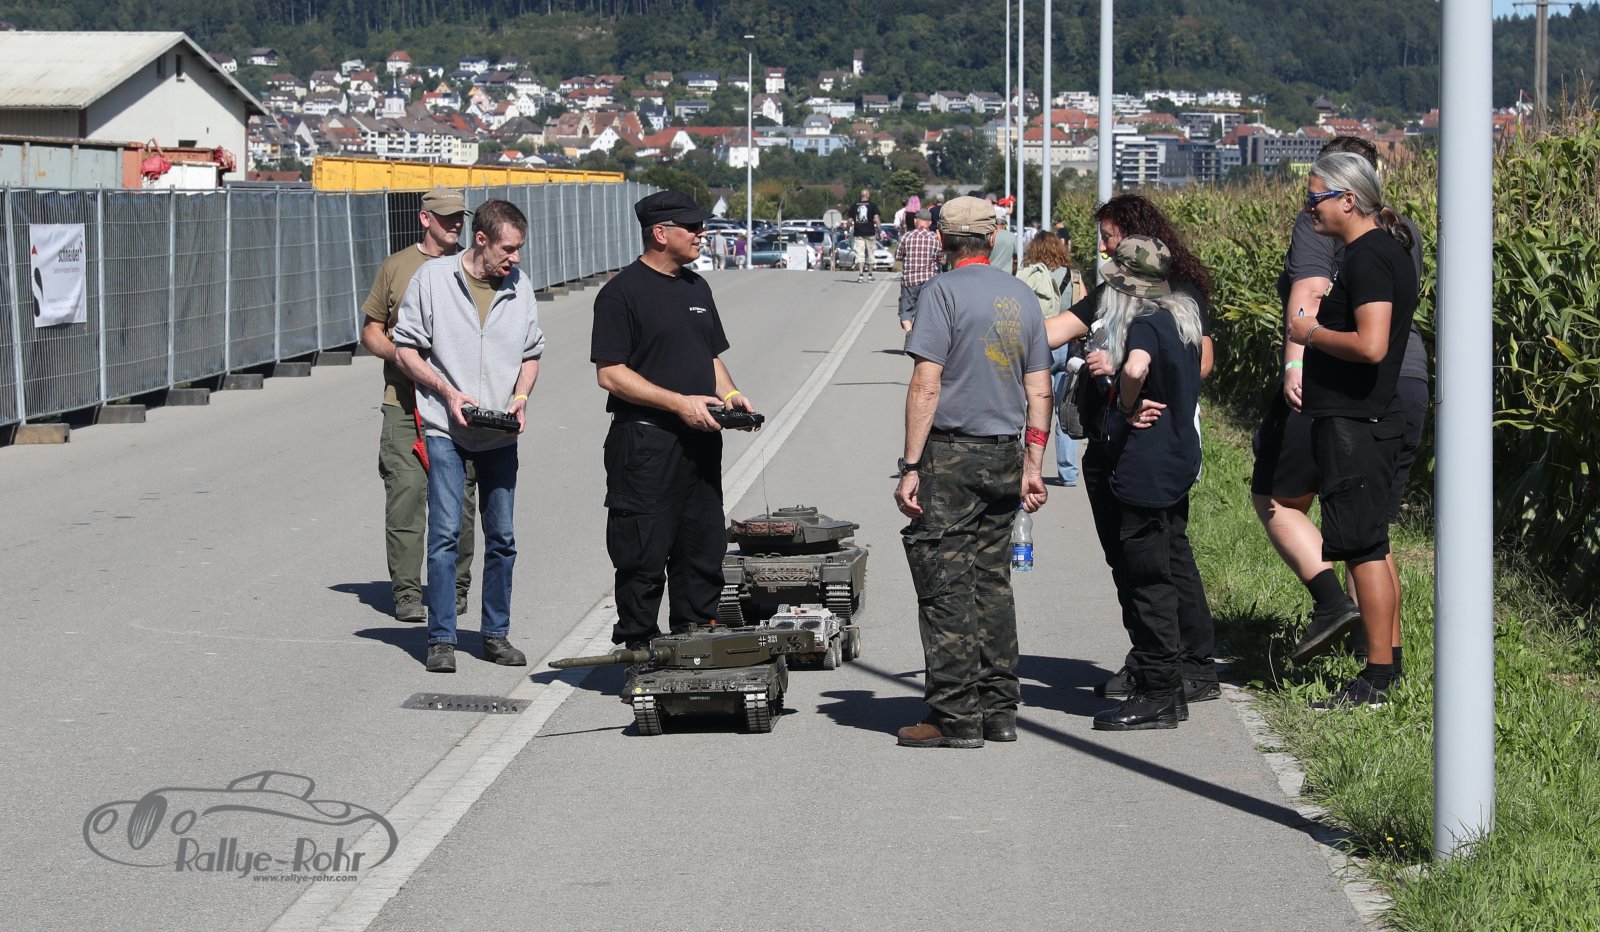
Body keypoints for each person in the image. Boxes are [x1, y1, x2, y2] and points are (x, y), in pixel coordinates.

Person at [1255, 137, 1428, 678]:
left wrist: (1309, 332)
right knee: (1368, 541)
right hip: (1367, 412)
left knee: (1363, 547)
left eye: (1316, 199)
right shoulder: (1380, 249)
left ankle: (1377, 673)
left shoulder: (1370, 256)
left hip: (1359, 418)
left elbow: (1371, 345)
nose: (1310, 209)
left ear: (1348, 199)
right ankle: (1386, 661)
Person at [893, 195, 1053, 749]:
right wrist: (1034, 465)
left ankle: (955, 715)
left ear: (941, 240)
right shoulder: (1022, 295)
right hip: (1005, 454)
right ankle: (999, 709)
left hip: (951, 454)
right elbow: (1039, 389)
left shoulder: (940, 292)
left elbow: (926, 384)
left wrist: (911, 466)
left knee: (945, 583)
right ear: (992, 239)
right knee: (992, 582)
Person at [1046, 194, 1218, 703]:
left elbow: (1199, 362)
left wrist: (1127, 380)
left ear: (1135, 234)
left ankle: (1192, 665)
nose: (1102, 246)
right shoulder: (1115, 289)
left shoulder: (1173, 295)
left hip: (1150, 445)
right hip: (1110, 440)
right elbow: (1056, 330)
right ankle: (1149, 658)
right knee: (1126, 560)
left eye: (1108, 236)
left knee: (1164, 558)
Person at [592, 190, 760, 650]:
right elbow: (611, 374)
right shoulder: (621, 293)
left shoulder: (697, 288)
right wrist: (678, 403)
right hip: (645, 444)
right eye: (692, 227)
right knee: (643, 552)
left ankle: (695, 637)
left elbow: (709, 357)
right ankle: (640, 647)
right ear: (660, 234)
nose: (702, 234)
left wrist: (730, 395)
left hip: (700, 443)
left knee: (701, 548)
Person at [391, 199, 544, 674]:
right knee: (445, 533)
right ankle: (441, 638)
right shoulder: (433, 280)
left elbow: (532, 353)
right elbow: (405, 349)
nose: (515, 258)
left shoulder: (520, 286)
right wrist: (447, 392)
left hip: (499, 433)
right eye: (508, 249)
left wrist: (521, 397)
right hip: (446, 426)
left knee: (503, 537)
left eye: (518, 249)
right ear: (481, 240)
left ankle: (495, 634)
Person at [1084, 236, 1207, 730]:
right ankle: (1170, 687)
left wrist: (1126, 400)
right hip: (1177, 458)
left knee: (1146, 577)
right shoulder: (1184, 318)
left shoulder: (1145, 323)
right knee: (1165, 565)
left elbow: (1136, 367)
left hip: (1146, 465)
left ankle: (1157, 691)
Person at [359, 187, 476, 626]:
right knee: (406, 495)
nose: (456, 223)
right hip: (403, 404)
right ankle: (407, 592)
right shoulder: (397, 267)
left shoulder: (471, 266)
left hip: (457, 409)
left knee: (459, 500)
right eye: (446, 217)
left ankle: (455, 587)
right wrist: (398, 355)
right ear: (425, 219)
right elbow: (371, 329)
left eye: (460, 216)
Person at [1016, 233, 1084, 485]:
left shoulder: (1030, 276)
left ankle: (1026, 465)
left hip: (1037, 345)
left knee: (1033, 406)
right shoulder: (1074, 277)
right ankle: (1068, 473)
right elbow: (1083, 306)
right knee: (1063, 409)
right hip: (1067, 347)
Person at [895, 208, 940, 333]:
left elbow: (898, 256)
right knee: (927, 310)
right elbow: (942, 259)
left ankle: (909, 332)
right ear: (930, 223)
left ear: (915, 221)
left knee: (906, 310)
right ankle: (922, 335)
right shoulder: (935, 238)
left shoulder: (906, 236)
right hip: (929, 281)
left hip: (910, 280)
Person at [850, 188, 882, 283]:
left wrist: (848, 230)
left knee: (860, 254)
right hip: (870, 233)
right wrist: (880, 231)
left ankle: (860, 275)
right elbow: (876, 219)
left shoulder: (855, 205)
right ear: (868, 195)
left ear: (861, 195)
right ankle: (870, 276)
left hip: (858, 233)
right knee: (870, 253)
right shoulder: (872, 206)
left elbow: (849, 220)